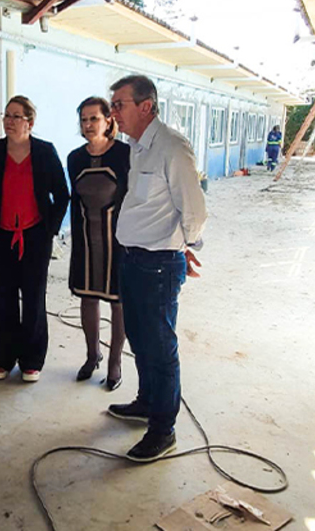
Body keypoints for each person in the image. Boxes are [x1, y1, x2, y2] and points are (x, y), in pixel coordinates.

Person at [107, 75, 207, 462]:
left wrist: (185, 246)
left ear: (146, 106)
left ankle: (163, 430)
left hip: (158, 265)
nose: (114, 111)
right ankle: (147, 402)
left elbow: (194, 210)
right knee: (138, 336)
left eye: (119, 104)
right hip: (133, 258)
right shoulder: (136, 146)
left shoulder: (171, 147)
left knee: (160, 347)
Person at [0, 96, 69, 383]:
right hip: (0, 237)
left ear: (30, 122)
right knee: (3, 297)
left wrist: (50, 229)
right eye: (6, 115)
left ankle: (31, 361)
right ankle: (3, 358)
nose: (9, 121)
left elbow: (62, 195)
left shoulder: (45, 152)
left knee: (34, 298)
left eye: (16, 116)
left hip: (35, 236)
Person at [66, 97, 130, 391]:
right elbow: (74, 199)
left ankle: (114, 361)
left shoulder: (125, 155)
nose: (88, 125)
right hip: (85, 238)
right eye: (83, 120)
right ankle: (92, 355)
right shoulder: (75, 158)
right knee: (87, 297)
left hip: (118, 239)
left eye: (94, 118)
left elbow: (132, 198)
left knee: (119, 303)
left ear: (108, 120)